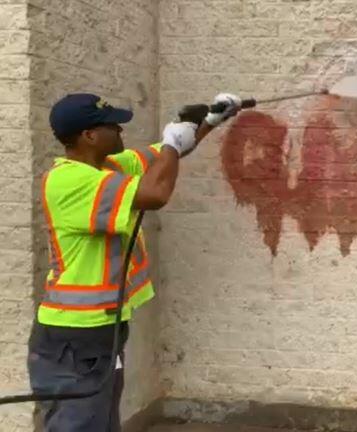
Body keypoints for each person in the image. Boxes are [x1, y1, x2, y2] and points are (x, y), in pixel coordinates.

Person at [27, 92, 242, 431]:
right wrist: (172, 142)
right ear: (89, 135)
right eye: (113, 126)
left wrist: (209, 122)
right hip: (74, 337)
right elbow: (156, 193)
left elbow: (166, 155)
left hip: (100, 330)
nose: (120, 131)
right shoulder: (69, 181)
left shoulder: (107, 166)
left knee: (101, 422)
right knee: (80, 425)